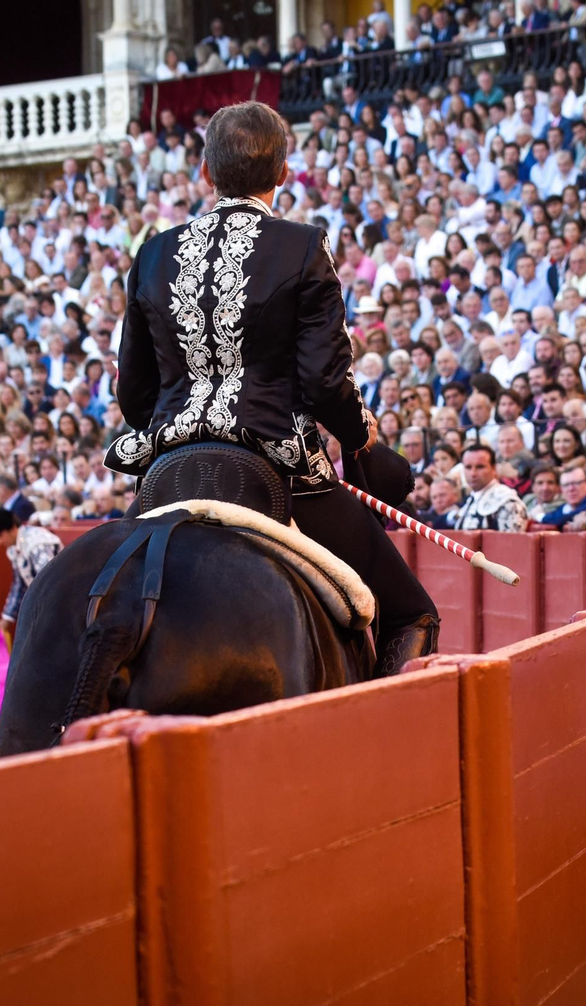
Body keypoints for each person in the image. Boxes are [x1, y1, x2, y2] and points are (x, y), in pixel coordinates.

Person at [106, 101, 438, 674]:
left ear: (206, 173)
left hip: (169, 472)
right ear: (282, 173)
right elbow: (326, 382)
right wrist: (360, 435)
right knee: (411, 614)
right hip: (278, 469)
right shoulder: (302, 245)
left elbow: (134, 397)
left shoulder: (154, 253)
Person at [0, 509, 64, 646]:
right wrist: (7, 618)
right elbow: (19, 585)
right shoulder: (14, 548)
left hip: (59, 605)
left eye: (0, 536)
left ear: (12, 529)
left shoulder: (37, 543)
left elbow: (49, 582)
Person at [453, 443, 529, 531]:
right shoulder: (470, 500)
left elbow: (512, 539)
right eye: (468, 467)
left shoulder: (507, 502)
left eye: (480, 467)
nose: (473, 473)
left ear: (493, 468)